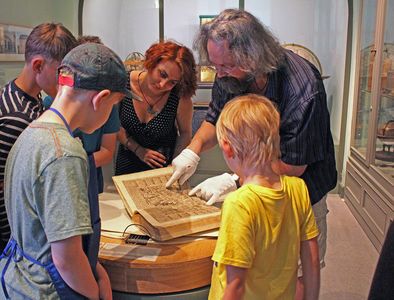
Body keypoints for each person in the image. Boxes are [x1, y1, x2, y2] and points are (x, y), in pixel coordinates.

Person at [165, 9, 337, 299]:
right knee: (263, 271)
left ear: (253, 57)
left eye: (227, 66)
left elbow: (294, 166)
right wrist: (191, 151)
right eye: (215, 65)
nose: (219, 73)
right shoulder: (227, 71)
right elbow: (215, 118)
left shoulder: (303, 89)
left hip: (301, 189)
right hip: (261, 183)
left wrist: (236, 179)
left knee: (291, 274)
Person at [0, 43, 129, 299]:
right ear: (100, 98)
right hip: (47, 289)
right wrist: (94, 292)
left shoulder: (32, 132)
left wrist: (94, 268)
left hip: (18, 280)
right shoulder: (64, 154)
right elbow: (66, 259)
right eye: (113, 105)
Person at [208, 94, 320, 299]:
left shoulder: (239, 204)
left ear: (227, 147)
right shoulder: (298, 188)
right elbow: (311, 260)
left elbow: (236, 287)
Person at [0, 23, 77, 253]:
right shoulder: (17, 116)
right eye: (62, 73)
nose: (67, 80)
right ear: (38, 65)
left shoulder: (27, 96)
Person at [43, 34, 120, 193]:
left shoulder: (38, 134)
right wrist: (74, 162)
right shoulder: (62, 154)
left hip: (91, 176)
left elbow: (107, 151)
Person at [115, 41, 197, 175]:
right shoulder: (124, 84)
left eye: (172, 82)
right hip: (128, 160)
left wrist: (175, 165)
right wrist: (138, 150)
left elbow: (185, 134)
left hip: (164, 166)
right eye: (162, 74)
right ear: (151, 63)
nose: (163, 84)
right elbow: (113, 125)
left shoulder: (179, 96)